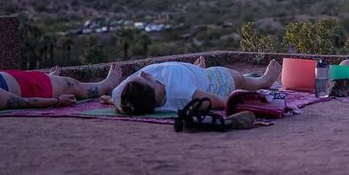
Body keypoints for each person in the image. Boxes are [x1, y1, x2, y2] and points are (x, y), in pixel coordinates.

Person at [102, 56, 282, 115]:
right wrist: (248, 99)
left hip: (188, 75)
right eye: (146, 79)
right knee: (239, 79)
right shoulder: (184, 94)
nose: (142, 74)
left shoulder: (123, 92)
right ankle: (264, 80)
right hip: (214, 81)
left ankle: (195, 73)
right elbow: (221, 101)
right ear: (155, 95)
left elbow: (124, 102)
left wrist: (112, 101)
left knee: (194, 77)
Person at [0, 63, 122, 111]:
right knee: (72, 85)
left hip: (24, 80)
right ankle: (106, 85)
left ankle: (50, 77)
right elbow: (19, 102)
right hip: (35, 88)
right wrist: (58, 101)